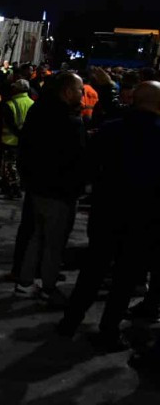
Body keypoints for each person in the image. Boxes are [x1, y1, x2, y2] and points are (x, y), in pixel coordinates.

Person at [58, 82, 160, 351]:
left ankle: (70, 321)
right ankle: (108, 331)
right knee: (124, 280)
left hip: (106, 213)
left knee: (92, 270)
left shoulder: (112, 129)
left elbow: (88, 167)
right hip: (143, 220)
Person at [13, 72, 86, 304]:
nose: (82, 94)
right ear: (66, 92)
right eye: (79, 90)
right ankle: (49, 287)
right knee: (54, 243)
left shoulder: (38, 111)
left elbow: (24, 148)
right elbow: (77, 161)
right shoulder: (70, 122)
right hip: (60, 192)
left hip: (37, 188)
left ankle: (25, 283)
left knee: (36, 237)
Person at [0, 79, 34, 198]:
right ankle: (10, 186)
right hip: (27, 141)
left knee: (10, 165)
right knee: (18, 165)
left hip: (10, 140)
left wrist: (19, 134)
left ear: (17, 89)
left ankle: (14, 189)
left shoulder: (10, 104)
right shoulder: (33, 103)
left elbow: (9, 123)